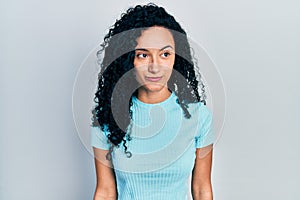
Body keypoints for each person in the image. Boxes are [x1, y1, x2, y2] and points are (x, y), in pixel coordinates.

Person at [90, 3, 214, 200]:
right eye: (143, 55)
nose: (155, 67)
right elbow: (105, 192)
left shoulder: (199, 117)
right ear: (128, 59)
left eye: (165, 54)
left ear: (176, 57)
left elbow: (201, 188)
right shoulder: (107, 118)